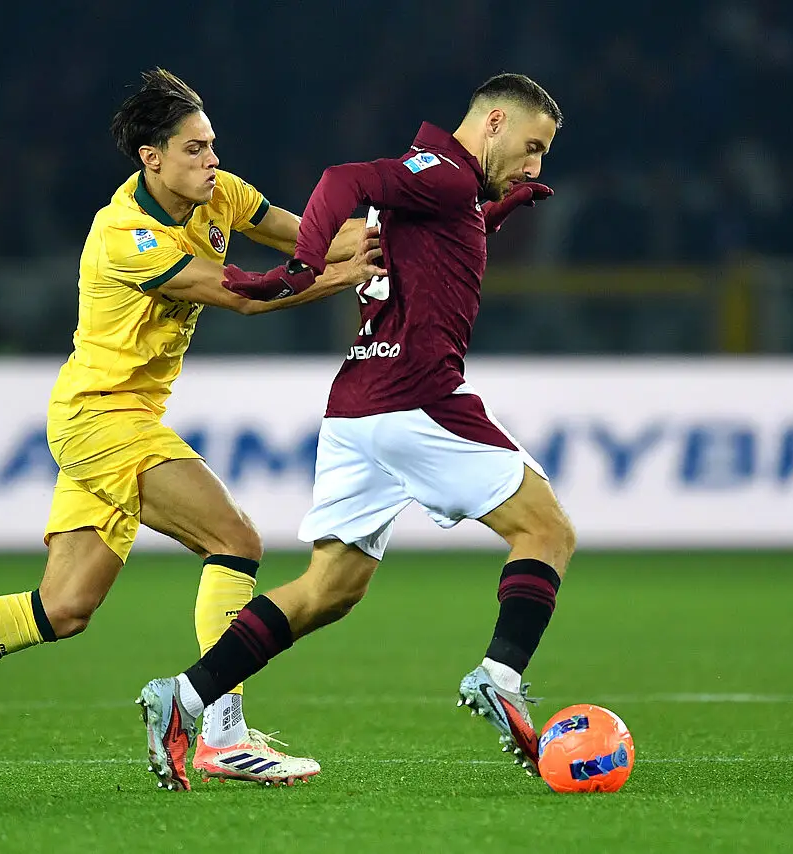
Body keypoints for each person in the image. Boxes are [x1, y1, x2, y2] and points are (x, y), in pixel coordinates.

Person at [0, 69, 383, 786]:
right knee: (235, 539)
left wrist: (399, 237)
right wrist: (342, 281)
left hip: (116, 417)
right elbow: (241, 293)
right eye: (194, 148)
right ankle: (221, 732)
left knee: (63, 609)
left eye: (212, 144)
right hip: (101, 417)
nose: (211, 159)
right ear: (151, 157)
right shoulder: (125, 233)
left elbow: (306, 236)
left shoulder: (219, 193)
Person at [136, 73, 575, 791]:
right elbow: (342, 180)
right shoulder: (439, 174)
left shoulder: (450, 192)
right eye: (532, 148)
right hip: (419, 398)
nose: (535, 167)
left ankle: (183, 697)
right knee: (548, 532)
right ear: (493, 123)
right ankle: (501, 674)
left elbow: (428, 245)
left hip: (357, 410)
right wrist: (307, 264)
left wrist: (497, 214)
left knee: (329, 588)